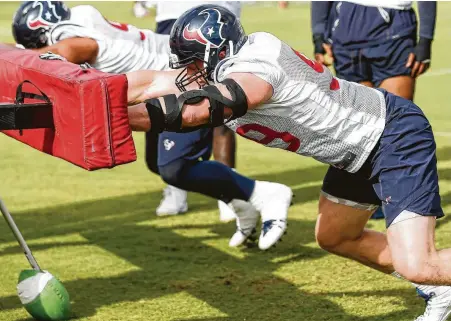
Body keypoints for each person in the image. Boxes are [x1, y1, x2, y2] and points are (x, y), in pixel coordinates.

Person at [125, 4, 451, 320]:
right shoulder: (228, 63)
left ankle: (429, 276)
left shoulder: (257, 64)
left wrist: (123, 121)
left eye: (194, 64)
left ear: (218, 54)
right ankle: (440, 289)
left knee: (417, 263)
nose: (187, 73)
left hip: (390, 135)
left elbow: (210, 106)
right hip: (356, 152)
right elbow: (154, 81)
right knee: (336, 237)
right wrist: (99, 95)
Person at [12, 1, 293, 251]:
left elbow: (78, 48)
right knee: (157, 164)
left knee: (175, 167)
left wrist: (25, 61)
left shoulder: (70, 36)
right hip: (156, 82)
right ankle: (240, 199)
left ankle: (264, 193)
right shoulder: (81, 15)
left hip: (180, 80)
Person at [311, 1, 437, 219]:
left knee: (398, 129)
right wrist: (318, 33)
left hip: (394, 32)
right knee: (359, 130)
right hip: (345, 33)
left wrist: (425, 39)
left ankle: (410, 208)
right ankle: (371, 200)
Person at [146, 1, 241, 220]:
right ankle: (176, 186)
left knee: (222, 108)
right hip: (172, 16)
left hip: (220, 16)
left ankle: (229, 194)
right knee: (169, 99)